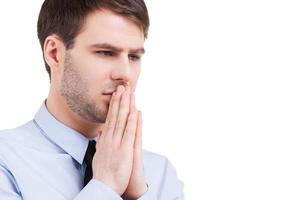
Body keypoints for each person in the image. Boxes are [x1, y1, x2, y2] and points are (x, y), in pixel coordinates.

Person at [0, 0, 184, 199]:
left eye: (133, 56)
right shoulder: (6, 162)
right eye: (105, 53)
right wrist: (105, 186)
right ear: (54, 53)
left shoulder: (160, 175)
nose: (125, 73)